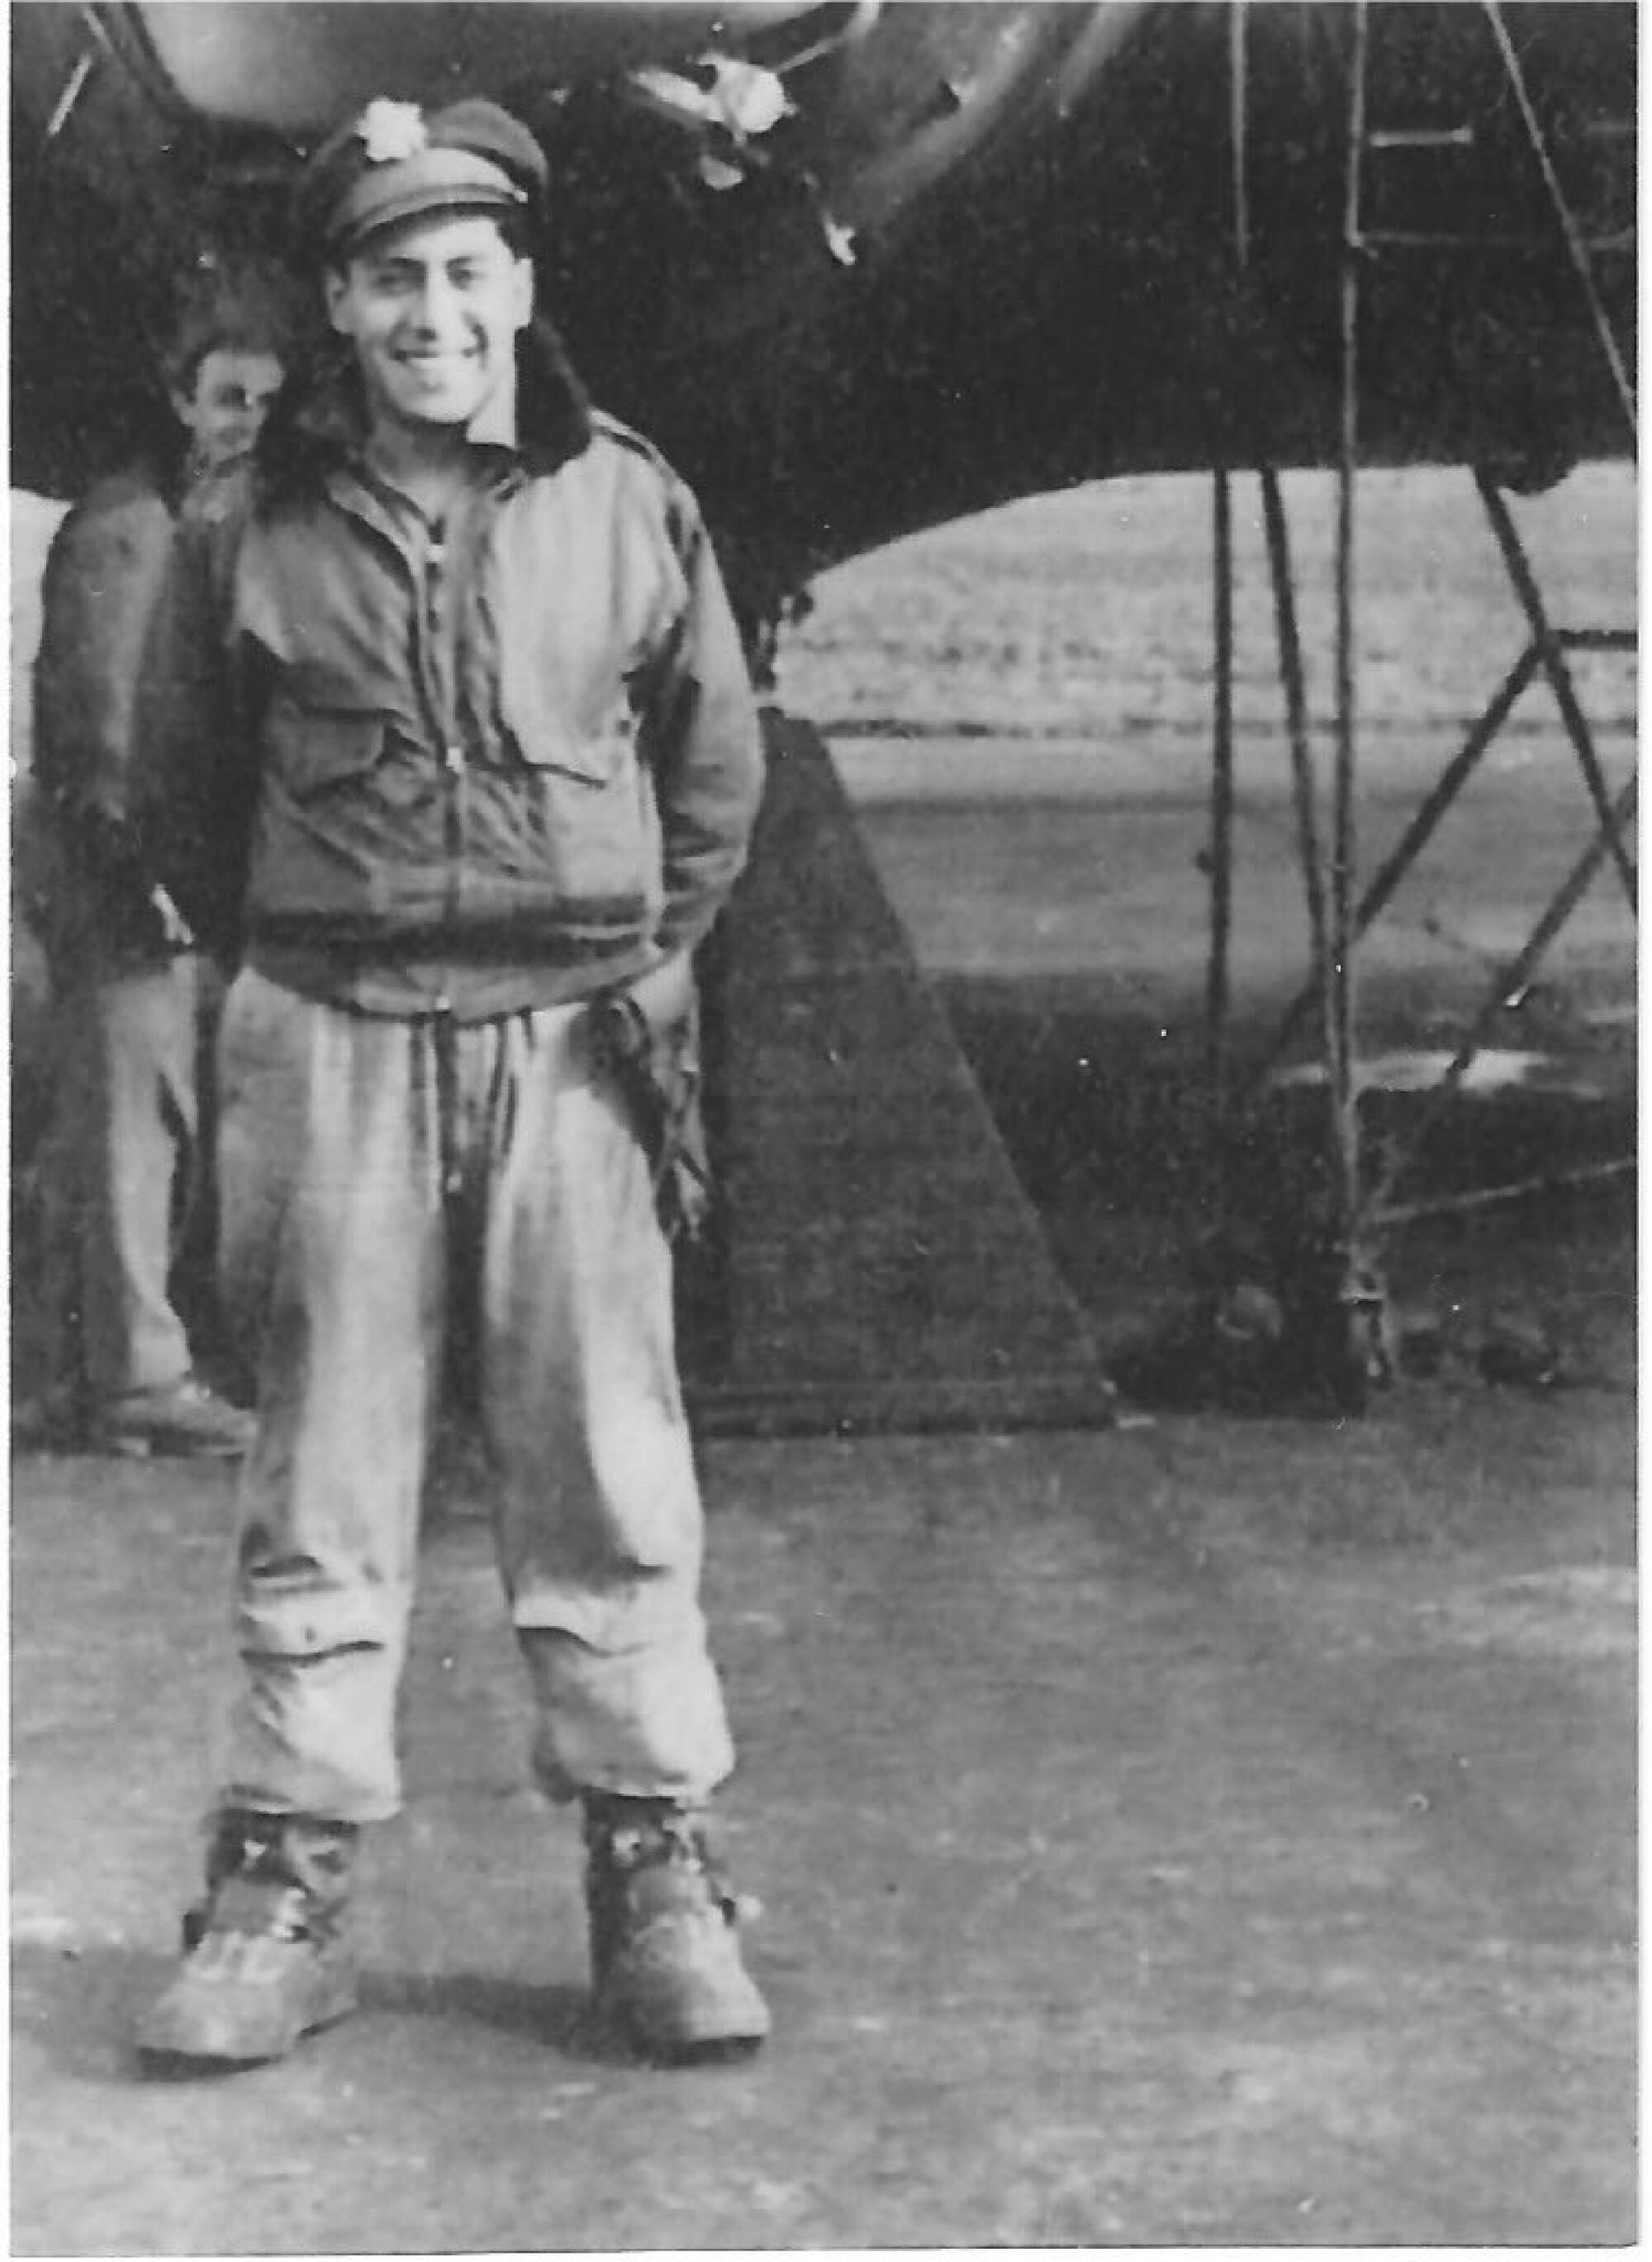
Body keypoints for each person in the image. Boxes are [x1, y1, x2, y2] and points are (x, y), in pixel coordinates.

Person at [132, 97, 770, 2070]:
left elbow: (710, 774)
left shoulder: (627, 502)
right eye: (390, 275)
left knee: (602, 1453)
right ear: (339, 298)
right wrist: (320, 969)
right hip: (332, 1035)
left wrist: (607, 952)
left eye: (463, 270)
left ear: (518, 285)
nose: (431, 310)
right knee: (324, 1461)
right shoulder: (250, 524)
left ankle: (656, 1866)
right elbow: (180, 791)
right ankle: (285, 1879)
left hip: (573, 1045)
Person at [29, 281, 287, 1457]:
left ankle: (115, 1369)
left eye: (268, 403)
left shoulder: (206, 518)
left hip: (162, 881)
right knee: (134, 1127)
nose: (248, 422)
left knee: (146, 1122)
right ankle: (135, 1377)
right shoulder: (134, 528)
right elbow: (101, 727)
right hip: (128, 887)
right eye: (229, 398)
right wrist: (152, 880)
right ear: (182, 400)